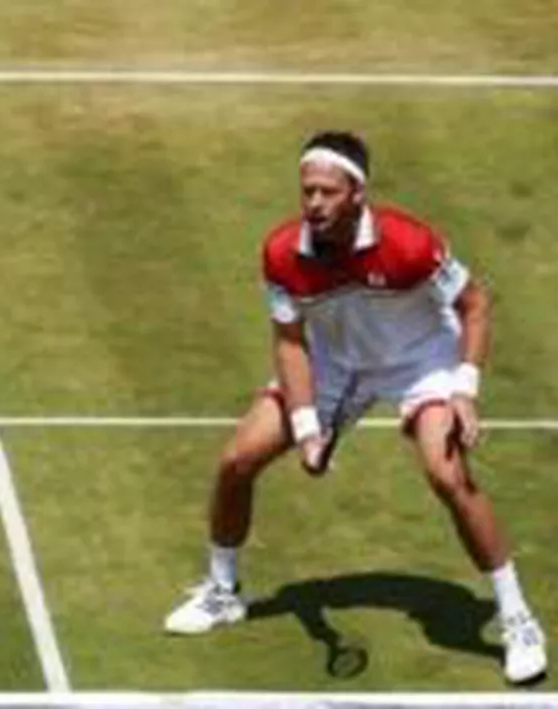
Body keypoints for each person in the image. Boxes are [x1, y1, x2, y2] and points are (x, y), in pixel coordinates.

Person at [162, 131, 547, 685]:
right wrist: (306, 428)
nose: (314, 204)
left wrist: (465, 388)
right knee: (237, 460)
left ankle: (518, 620)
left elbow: (475, 303)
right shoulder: (282, 254)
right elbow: (290, 343)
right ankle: (223, 592)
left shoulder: (409, 243)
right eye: (307, 191)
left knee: (446, 474)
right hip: (337, 363)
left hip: (421, 360)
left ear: (358, 194)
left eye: (328, 192)